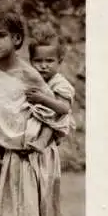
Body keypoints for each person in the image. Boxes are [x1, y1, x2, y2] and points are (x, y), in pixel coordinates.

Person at [0, 7, 73, 216]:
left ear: (17, 40)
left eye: (1, 35)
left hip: (37, 153)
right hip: (11, 154)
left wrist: (40, 141)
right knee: (15, 205)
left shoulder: (29, 74)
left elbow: (58, 115)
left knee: (40, 202)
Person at [24, 23, 75, 151]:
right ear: (31, 61)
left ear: (59, 61)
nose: (43, 66)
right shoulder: (33, 79)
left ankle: (41, 142)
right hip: (32, 125)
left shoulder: (60, 83)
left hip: (53, 125)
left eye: (49, 61)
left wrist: (42, 99)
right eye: (38, 61)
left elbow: (64, 109)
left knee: (54, 114)